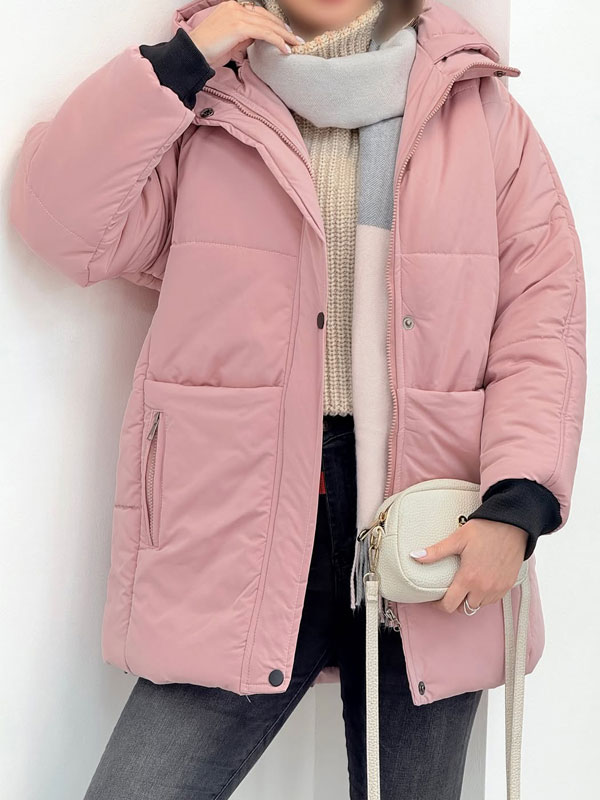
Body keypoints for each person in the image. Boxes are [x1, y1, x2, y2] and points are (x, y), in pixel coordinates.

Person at [9, 0, 586, 798]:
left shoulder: (476, 109)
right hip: (239, 512)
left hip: (430, 516)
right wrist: (181, 63)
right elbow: (62, 226)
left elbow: (543, 317)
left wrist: (516, 506)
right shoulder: (212, 103)